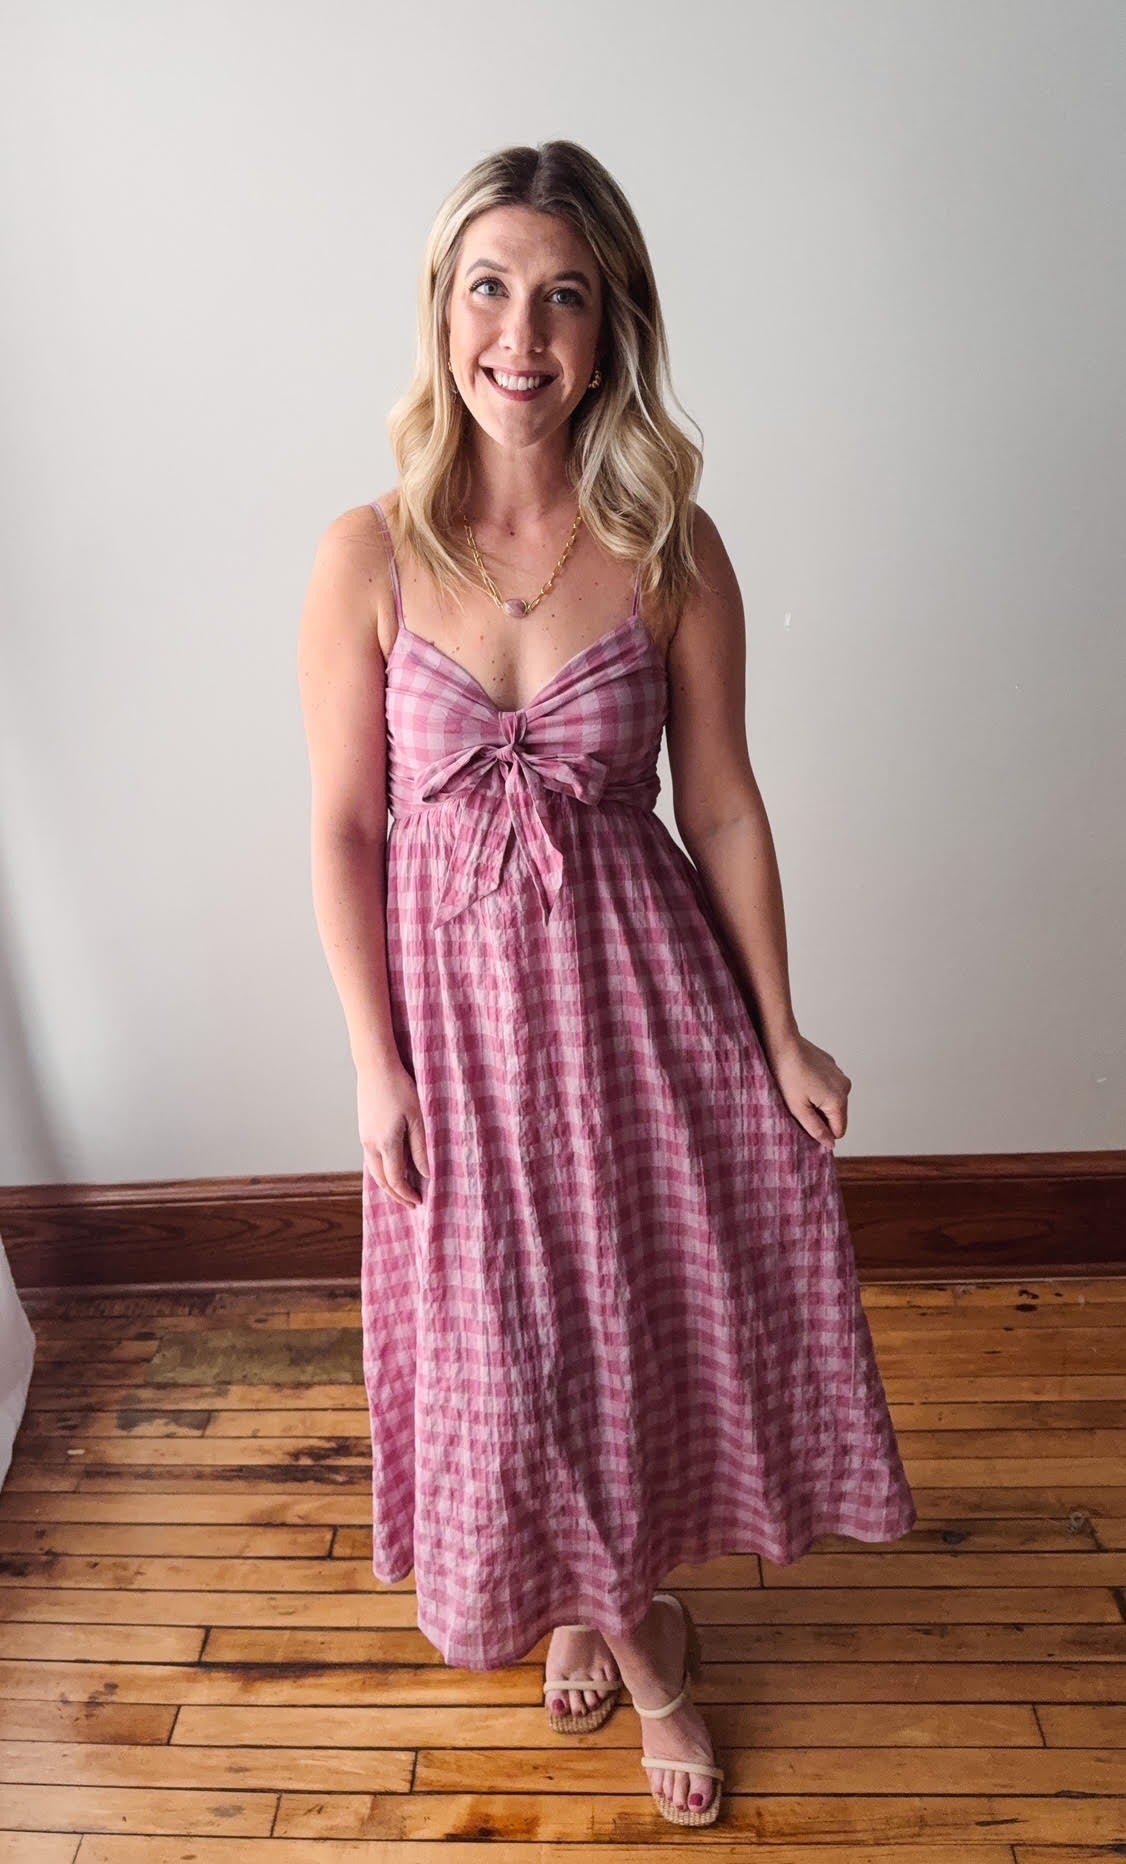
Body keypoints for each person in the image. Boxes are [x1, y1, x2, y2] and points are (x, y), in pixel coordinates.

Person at [297, 138, 917, 1831]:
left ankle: (608, 1605)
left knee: (623, 1329)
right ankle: (646, 1645)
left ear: (610, 326)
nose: (521, 332)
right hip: (456, 1036)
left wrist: (777, 1027)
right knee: (505, 1346)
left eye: (563, 295)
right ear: (440, 314)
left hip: (641, 1015)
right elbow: (346, 832)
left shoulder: (666, 543)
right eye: (488, 288)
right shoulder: (365, 554)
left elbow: (716, 800)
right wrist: (374, 1062)